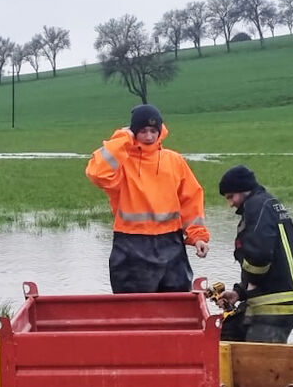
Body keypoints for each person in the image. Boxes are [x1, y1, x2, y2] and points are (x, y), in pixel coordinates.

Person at [85, 103, 210, 293]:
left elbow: (191, 200)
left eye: (153, 130)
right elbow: (96, 173)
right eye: (143, 131)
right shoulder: (123, 162)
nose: (149, 136)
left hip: (171, 243)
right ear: (134, 132)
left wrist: (197, 236)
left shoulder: (174, 160)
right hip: (131, 245)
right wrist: (123, 138)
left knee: (177, 307)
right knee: (133, 310)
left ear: (160, 131)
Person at [216, 164, 293, 343]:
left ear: (243, 189)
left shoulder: (255, 207)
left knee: (260, 368)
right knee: (225, 336)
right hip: (278, 303)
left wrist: (251, 283)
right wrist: (240, 293)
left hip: (272, 308)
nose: (230, 203)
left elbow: (259, 257)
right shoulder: (269, 204)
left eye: (231, 197)